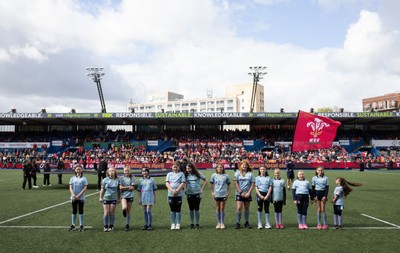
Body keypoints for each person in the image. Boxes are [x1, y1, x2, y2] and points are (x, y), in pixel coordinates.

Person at [184, 162, 208, 229]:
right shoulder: (185, 175)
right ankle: (192, 224)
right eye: (186, 168)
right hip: (189, 194)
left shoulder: (198, 173)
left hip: (197, 194)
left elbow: (206, 180)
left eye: (189, 168)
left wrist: (202, 189)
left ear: (192, 168)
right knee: (191, 209)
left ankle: (197, 224)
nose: (187, 170)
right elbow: (183, 182)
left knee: (197, 209)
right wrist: (185, 189)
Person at [234, 160, 255, 229]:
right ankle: (238, 222)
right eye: (243, 164)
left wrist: (249, 193)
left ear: (247, 166)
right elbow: (235, 183)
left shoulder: (250, 174)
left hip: (247, 193)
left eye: (246, 165)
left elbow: (252, 184)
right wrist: (240, 192)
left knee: (246, 207)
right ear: (240, 165)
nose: (244, 166)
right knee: (239, 207)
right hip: (239, 193)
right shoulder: (237, 173)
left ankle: (246, 222)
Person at [99, 166, 121, 232]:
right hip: (106, 198)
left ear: (115, 172)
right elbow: (102, 189)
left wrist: (119, 198)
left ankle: (111, 225)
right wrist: (100, 197)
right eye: (110, 171)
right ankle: (105, 226)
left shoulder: (118, 180)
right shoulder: (105, 180)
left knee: (112, 212)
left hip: (114, 198)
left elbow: (118, 190)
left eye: (112, 171)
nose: (111, 172)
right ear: (108, 172)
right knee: (106, 212)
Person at [210, 163, 230, 229]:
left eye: (221, 167)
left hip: (223, 194)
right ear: (216, 168)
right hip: (216, 194)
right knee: (217, 208)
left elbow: (229, 185)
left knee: (222, 208)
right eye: (218, 167)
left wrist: (228, 193)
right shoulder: (214, 175)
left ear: (223, 168)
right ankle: (218, 223)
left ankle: (222, 223)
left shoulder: (226, 176)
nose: (220, 168)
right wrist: (212, 192)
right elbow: (211, 185)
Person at [165, 163, 186, 230]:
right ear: (172, 167)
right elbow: (167, 183)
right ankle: (173, 223)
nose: (175, 168)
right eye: (174, 167)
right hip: (170, 194)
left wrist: (177, 190)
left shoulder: (181, 174)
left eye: (176, 167)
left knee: (178, 209)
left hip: (178, 194)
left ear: (178, 167)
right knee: (172, 209)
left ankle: (178, 224)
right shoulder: (169, 174)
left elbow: (182, 183)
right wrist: (172, 190)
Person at [68, 165, 88, 232]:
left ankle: (81, 225)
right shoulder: (72, 178)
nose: (78, 170)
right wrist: (73, 195)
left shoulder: (84, 179)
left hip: (81, 198)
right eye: (77, 169)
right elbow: (70, 188)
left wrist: (79, 195)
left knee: (81, 211)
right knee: (74, 211)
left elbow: (85, 188)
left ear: (81, 170)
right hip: (73, 197)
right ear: (75, 170)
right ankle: (73, 225)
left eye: (79, 169)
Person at [120, 165, 136, 231]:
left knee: (129, 211)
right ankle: (124, 211)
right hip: (123, 196)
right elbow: (120, 187)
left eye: (128, 171)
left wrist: (125, 187)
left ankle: (127, 224)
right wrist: (128, 187)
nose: (126, 172)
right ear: (123, 171)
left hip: (130, 196)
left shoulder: (132, 177)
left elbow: (132, 188)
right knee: (124, 208)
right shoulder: (121, 178)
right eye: (125, 171)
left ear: (130, 171)